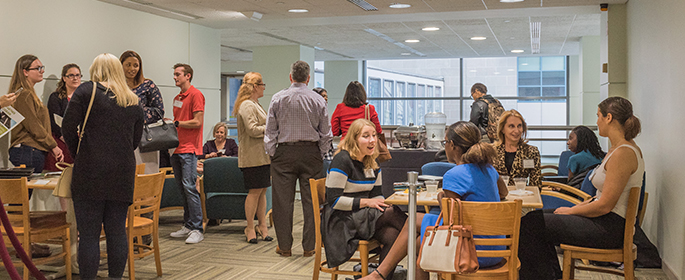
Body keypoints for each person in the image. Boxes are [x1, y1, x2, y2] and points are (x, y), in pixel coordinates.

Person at [360, 121, 507, 280]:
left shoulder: (454, 175)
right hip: (497, 249)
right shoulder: (489, 169)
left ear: (452, 145)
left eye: (445, 142)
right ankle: (379, 274)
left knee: (414, 222)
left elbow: (451, 223)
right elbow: (503, 192)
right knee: (418, 243)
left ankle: (379, 274)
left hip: (469, 251)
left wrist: (442, 198)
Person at [518, 96, 644, 280]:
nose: (597, 121)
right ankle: (552, 275)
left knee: (529, 224)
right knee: (532, 216)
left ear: (608, 118)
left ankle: (544, 275)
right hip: (604, 221)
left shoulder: (623, 153)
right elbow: (601, 200)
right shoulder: (617, 149)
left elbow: (605, 205)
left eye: (598, 116)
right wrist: (575, 209)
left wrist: (572, 211)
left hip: (609, 228)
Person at [62, 53, 144, 280]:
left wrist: (78, 151)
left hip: (90, 169)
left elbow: (67, 128)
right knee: (117, 231)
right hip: (123, 171)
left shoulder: (86, 92)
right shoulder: (132, 99)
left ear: (94, 70)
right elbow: (135, 141)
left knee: (88, 234)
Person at [323, 119, 406, 278]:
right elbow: (334, 201)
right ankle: (421, 238)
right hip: (341, 220)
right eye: (366, 136)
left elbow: (377, 195)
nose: (372, 140)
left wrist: (377, 203)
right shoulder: (342, 160)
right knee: (392, 212)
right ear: (354, 139)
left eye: (374, 135)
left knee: (393, 236)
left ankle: (379, 277)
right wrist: (368, 203)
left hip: (363, 217)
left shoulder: (372, 160)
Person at [264, 60, 332, 257]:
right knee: (311, 201)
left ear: (290, 77)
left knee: (282, 202)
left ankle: (284, 247)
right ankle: (309, 247)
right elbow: (326, 133)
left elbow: (270, 132)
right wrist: (319, 153)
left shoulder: (278, 98)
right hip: (311, 153)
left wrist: (273, 154)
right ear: (308, 78)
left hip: (284, 153)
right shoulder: (319, 100)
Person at [168, 63, 205, 244]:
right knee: (182, 189)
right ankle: (188, 225)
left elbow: (197, 122)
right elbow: (178, 122)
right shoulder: (177, 97)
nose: (175, 77)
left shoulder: (196, 95)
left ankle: (197, 228)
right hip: (176, 148)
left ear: (188, 76)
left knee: (190, 187)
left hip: (189, 149)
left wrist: (177, 123)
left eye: (178, 74)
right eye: (174, 74)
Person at [8, 55, 63, 175]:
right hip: (27, 150)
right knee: (22, 193)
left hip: (31, 150)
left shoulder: (29, 94)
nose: (42, 71)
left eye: (42, 67)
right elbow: (34, 126)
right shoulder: (24, 95)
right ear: (25, 72)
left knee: (25, 193)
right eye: (38, 68)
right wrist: (53, 145)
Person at [234, 72, 272, 244]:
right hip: (252, 157)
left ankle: (262, 225)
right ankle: (249, 226)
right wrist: (271, 129)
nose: (264, 87)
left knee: (262, 191)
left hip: (262, 156)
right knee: (254, 192)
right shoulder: (247, 105)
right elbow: (252, 129)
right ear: (255, 86)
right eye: (263, 84)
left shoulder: (256, 104)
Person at [120, 50, 165, 174]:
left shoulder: (148, 85)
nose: (132, 69)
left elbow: (159, 111)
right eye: (128, 65)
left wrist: (136, 113)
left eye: (136, 65)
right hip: (122, 138)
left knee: (147, 175)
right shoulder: (116, 87)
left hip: (146, 138)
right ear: (121, 66)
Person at [45, 63, 81, 171]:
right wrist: (66, 137)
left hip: (80, 141)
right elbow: (53, 121)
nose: (75, 78)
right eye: (71, 75)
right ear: (64, 78)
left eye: (78, 75)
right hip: (61, 140)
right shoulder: (56, 97)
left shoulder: (85, 98)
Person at [491, 109, 542, 187]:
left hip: (522, 196)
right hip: (496, 196)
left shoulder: (531, 151)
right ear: (502, 129)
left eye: (519, 126)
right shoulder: (491, 151)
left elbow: (536, 184)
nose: (517, 130)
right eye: (511, 126)